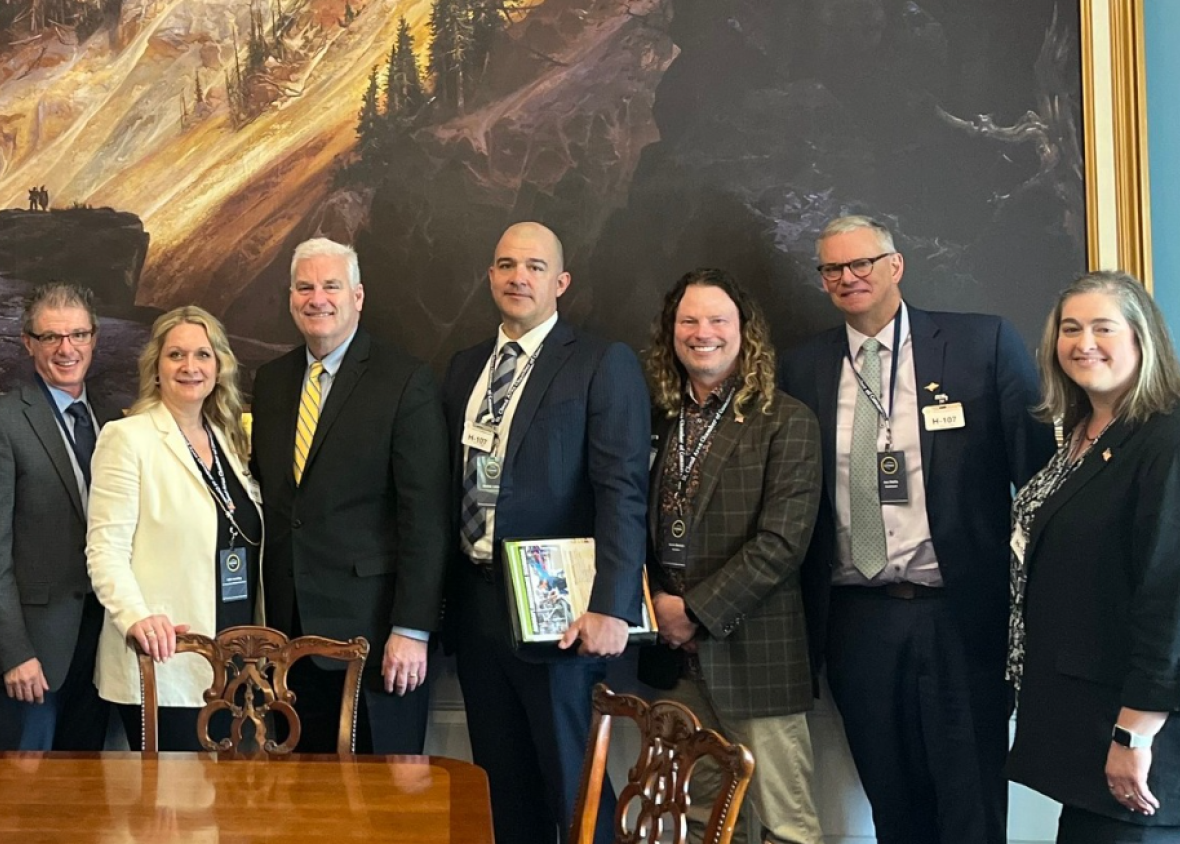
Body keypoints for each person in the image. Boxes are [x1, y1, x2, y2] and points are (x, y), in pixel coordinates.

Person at [777, 215, 1054, 844]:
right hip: (856, 621)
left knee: (972, 803)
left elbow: (1041, 483)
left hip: (959, 615)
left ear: (895, 265)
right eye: (832, 269)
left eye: (862, 264)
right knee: (893, 805)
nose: (848, 278)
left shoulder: (980, 344)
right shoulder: (803, 368)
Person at [439, 221, 652, 843]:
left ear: (560, 281)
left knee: (577, 793)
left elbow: (622, 490)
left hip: (561, 617)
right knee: (503, 793)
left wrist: (611, 605)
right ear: (490, 277)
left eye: (533, 266)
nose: (517, 277)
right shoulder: (464, 368)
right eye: (505, 264)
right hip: (479, 609)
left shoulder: (599, 362)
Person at [1007, 271, 1180, 843]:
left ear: (1143, 338)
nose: (1083, 342)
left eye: (1103, 327)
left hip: (1147, 742)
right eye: (1070, 329)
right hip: (1088, 728)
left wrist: (1134, 736)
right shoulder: (1081, 432)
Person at [636, 269, 823, 844]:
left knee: (784, 825)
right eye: (688, 321)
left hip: (755, 657)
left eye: (718, 320)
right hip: (674, 667)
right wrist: (655, 608)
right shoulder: (658, 419)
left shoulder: (787, 421)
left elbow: (781, 544)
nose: (702, 333)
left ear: (746, 333)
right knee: (696, 824)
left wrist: (690, 612)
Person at [249, 238, 448, 755]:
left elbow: (425, 517)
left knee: (379, 808)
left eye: (331, 285)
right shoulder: (271, 384)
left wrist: (412, 629)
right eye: (305, 287)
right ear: (291, 298)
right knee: (304, 807)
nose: (318, 298)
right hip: (288, 641)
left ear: (357, 296)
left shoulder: (405, 381)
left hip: (375, 638)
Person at [86, 306, 264, 752]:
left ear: (219, 366)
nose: (190, 367)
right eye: (176, 355)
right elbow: (105, 549)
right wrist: (135, 619)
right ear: (157, 367)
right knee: (176, 811)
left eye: (202, 354)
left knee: (230, 812)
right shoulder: (128, 438)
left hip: (237, 660)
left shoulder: (227, 439)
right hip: (168, 657)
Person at [0, 283, 122, 751]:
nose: (66, 349)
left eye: (77, 334)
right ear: (28, 342)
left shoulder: (111, 420)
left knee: (83, 794)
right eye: (51, 337)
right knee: (23, 800)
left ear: (94, 339)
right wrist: (14, 654)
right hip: (32, 656)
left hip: (99, 646)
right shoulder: (1, 423)